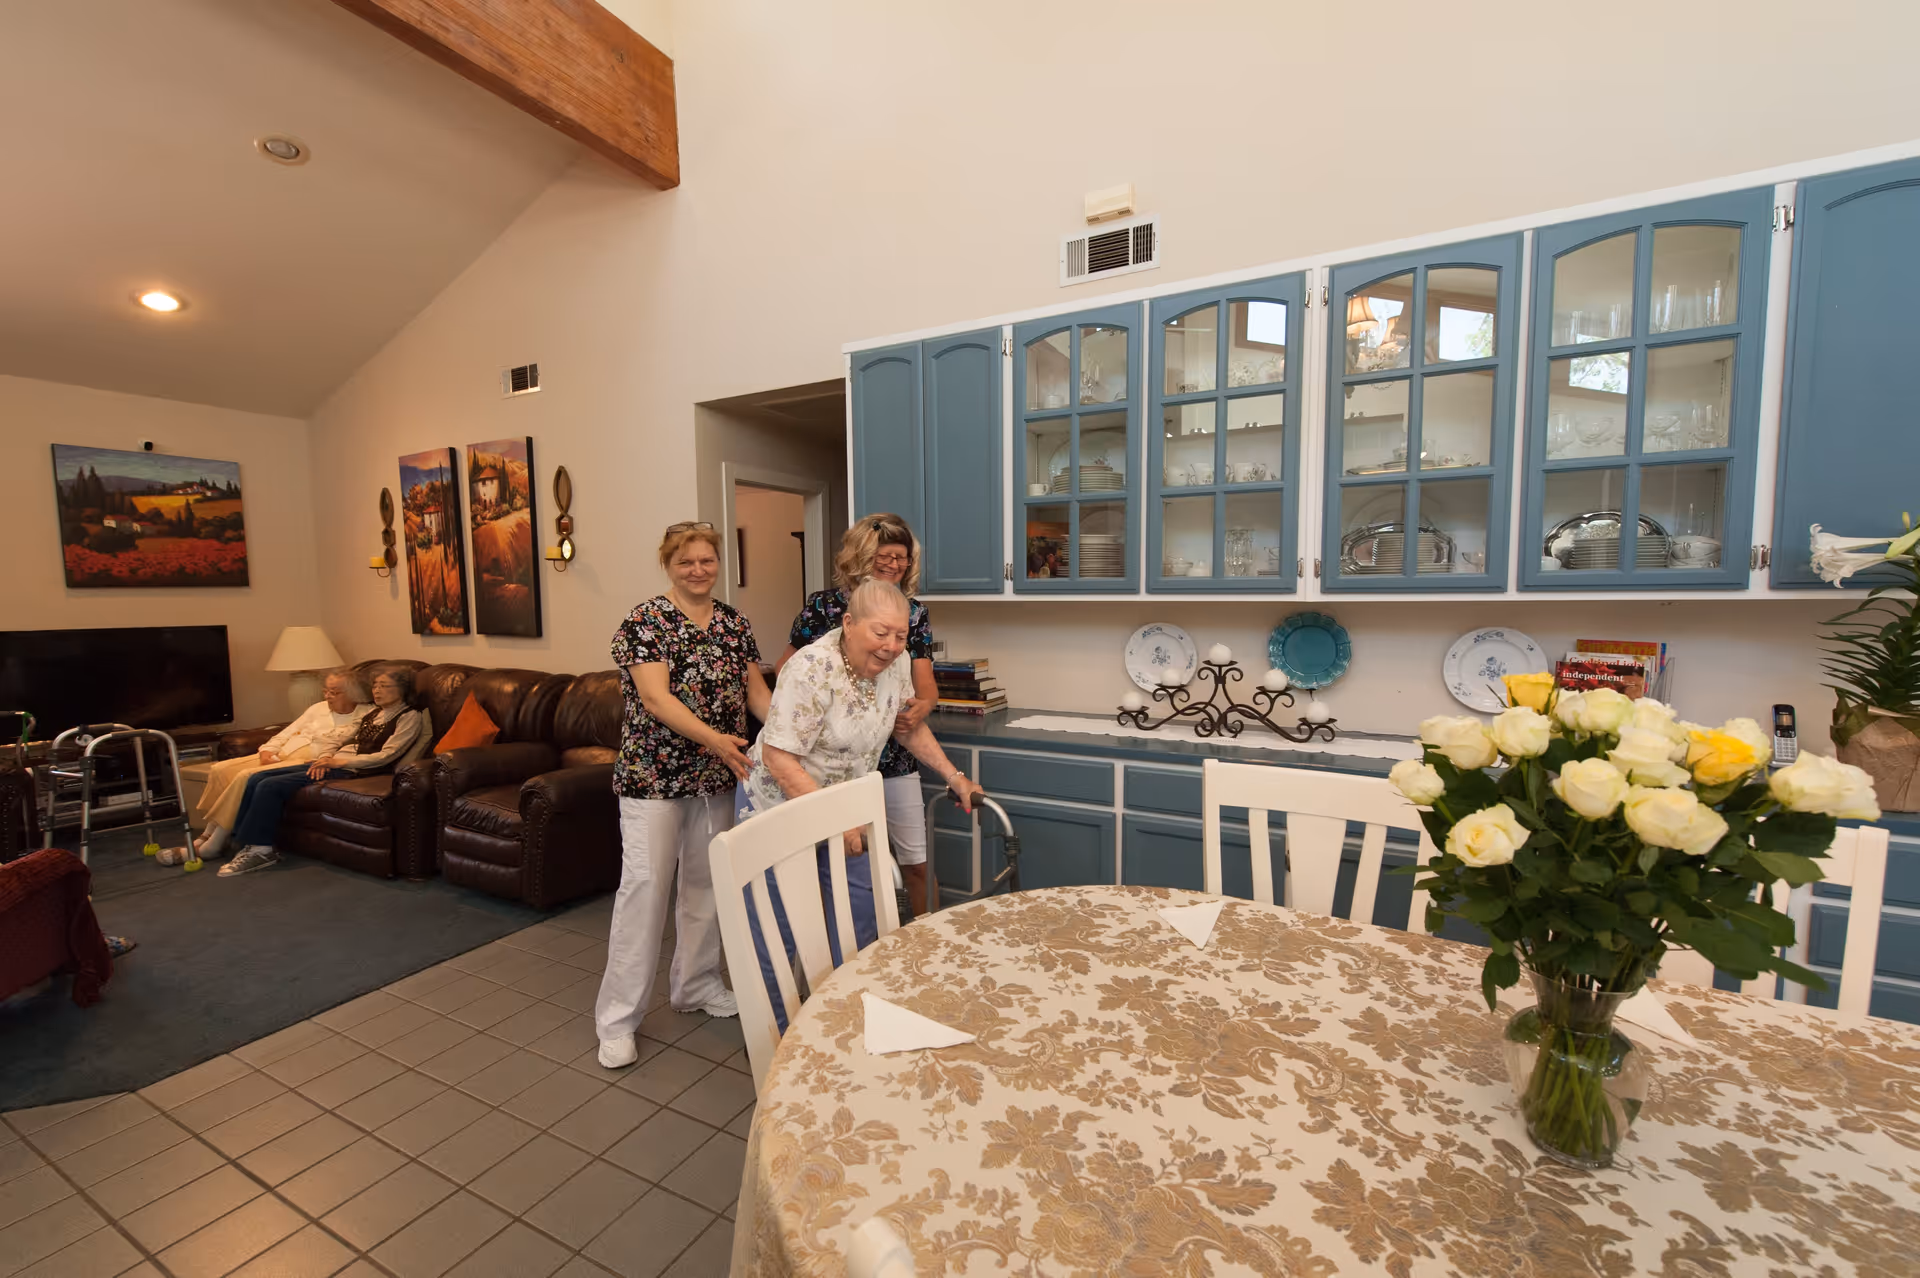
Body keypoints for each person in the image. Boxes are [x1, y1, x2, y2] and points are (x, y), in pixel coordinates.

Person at [746, 579, 983, 1015]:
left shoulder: (896, 664)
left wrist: (955, 777)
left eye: (900, 635)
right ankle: (774, 1036)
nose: (892, 646)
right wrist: (833, 820)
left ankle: (852, 1017)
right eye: (881, 633)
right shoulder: (811, 668)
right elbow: (780, 761)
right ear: (849, 623)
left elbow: (907, 726)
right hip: (778, 810)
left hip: (845, 813)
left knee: (861, 918)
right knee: (778, 930)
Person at [595, 521, 772, 1069]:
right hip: (654, 778)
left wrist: (792, 735)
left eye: (707, 561)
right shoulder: (647, 621)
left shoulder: (735, 624)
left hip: (718, 778)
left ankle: (695, 985)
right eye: (685, 562)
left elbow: (757, 692)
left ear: (719, 564)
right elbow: (655, 698)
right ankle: (618, 1020)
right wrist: (717, 740)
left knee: (706, 886)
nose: (698, 570)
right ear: (668, 565)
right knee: (645, 890)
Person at [776, 513, 939, 915]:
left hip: (890, 752)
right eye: (884, 555)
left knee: (904, 862)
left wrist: (924, 705)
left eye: (901, 557)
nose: (894, 564)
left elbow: (921, 680)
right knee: (843, 865)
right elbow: (787, 672)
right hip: (824, 760)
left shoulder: (913, 612)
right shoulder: (822, 607)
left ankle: (914, 939)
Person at [218, 668, 425, 877]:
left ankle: (262, 850)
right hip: (334, 762)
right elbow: (338, 739)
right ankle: (243, 842)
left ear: (402, 689)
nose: (377, 690)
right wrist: (325, 758)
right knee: (256, 777)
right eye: (375, 685)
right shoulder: (373, 713)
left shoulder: (409, 717)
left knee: (270, 786)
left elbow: (387, 755)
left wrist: (339, 763)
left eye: (384, 686)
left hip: (357, 770)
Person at [190, 670, 372, 859]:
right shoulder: (317, 708)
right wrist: (268, 750)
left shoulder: (365, 715)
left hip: (304, 760)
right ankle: (208, 832)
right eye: (325, 690)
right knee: (221, 769)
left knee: (245, 776)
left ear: (354, 693)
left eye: (334, 692)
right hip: (281, 753)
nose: (327, 696)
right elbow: (287, 732)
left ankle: (216, 839)